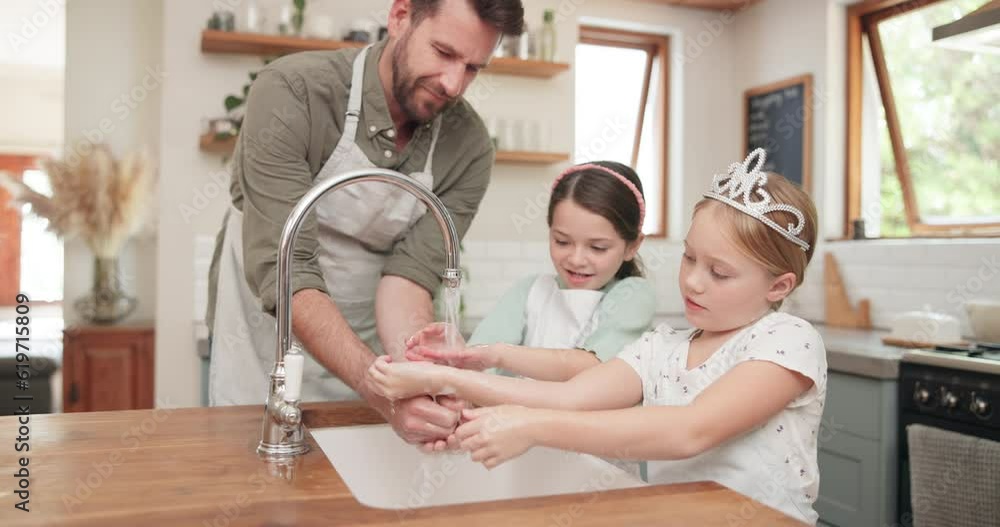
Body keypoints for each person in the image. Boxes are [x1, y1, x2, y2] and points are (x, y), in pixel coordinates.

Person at [367, 149, 828, 525]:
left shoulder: (787, 340)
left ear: (779, 286)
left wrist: (529, 426)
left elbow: (690, 431)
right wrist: (449, 377)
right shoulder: (661, 347)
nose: (693, 282)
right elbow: (569, 397)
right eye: (689, 259)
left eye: (719, 272)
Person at [206, 0, 525, 449]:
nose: (454, 84)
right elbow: (288, 269)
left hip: (369, 353)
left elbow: (408, 278)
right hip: (264, 342)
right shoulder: (293, 91)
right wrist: (379, 390)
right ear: (399, 18)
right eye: (443, 52)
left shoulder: (470, 148)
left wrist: (416, 372)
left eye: (473, 68)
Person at [405, 162, 656, 382]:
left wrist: (499, 356)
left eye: (597, 247)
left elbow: (591, 366)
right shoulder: (530, 291)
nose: (577, 259)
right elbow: (483, 353)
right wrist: (457, 353)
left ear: (632, 246)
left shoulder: (633, 295)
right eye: (562, 241)